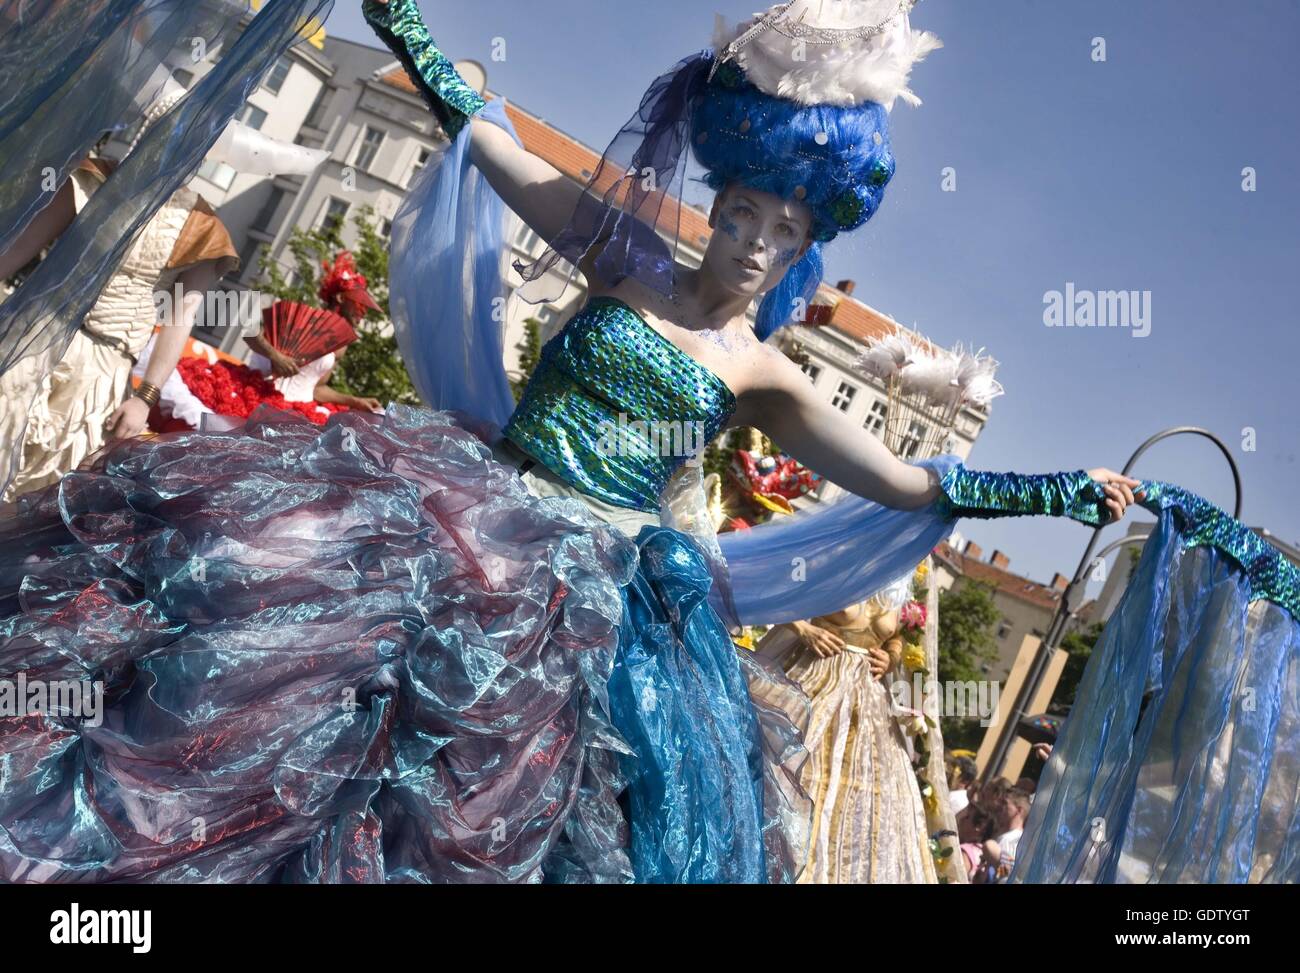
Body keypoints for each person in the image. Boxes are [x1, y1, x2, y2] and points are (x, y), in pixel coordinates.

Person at [0, 0, 1141, 883]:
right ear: (720, 203)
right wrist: (403, 24)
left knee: (509, 791)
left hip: (586, 596)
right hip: (459, 507)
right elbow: (495, 151)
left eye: (779, 229)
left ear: (801, 245)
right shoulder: (623, 258)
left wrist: (1048, 488)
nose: (749, 242)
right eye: (739, 212)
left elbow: (897, 477)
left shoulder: (758, 373)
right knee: (264, 645)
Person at [757, 581, 939, 883]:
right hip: (816, 680)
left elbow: (894, 637)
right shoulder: (841, 551)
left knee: (870, 802)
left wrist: (890, 656)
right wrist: (805, 630)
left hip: (869, 706)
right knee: (793, 773)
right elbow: (776, 594)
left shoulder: (899, 578)